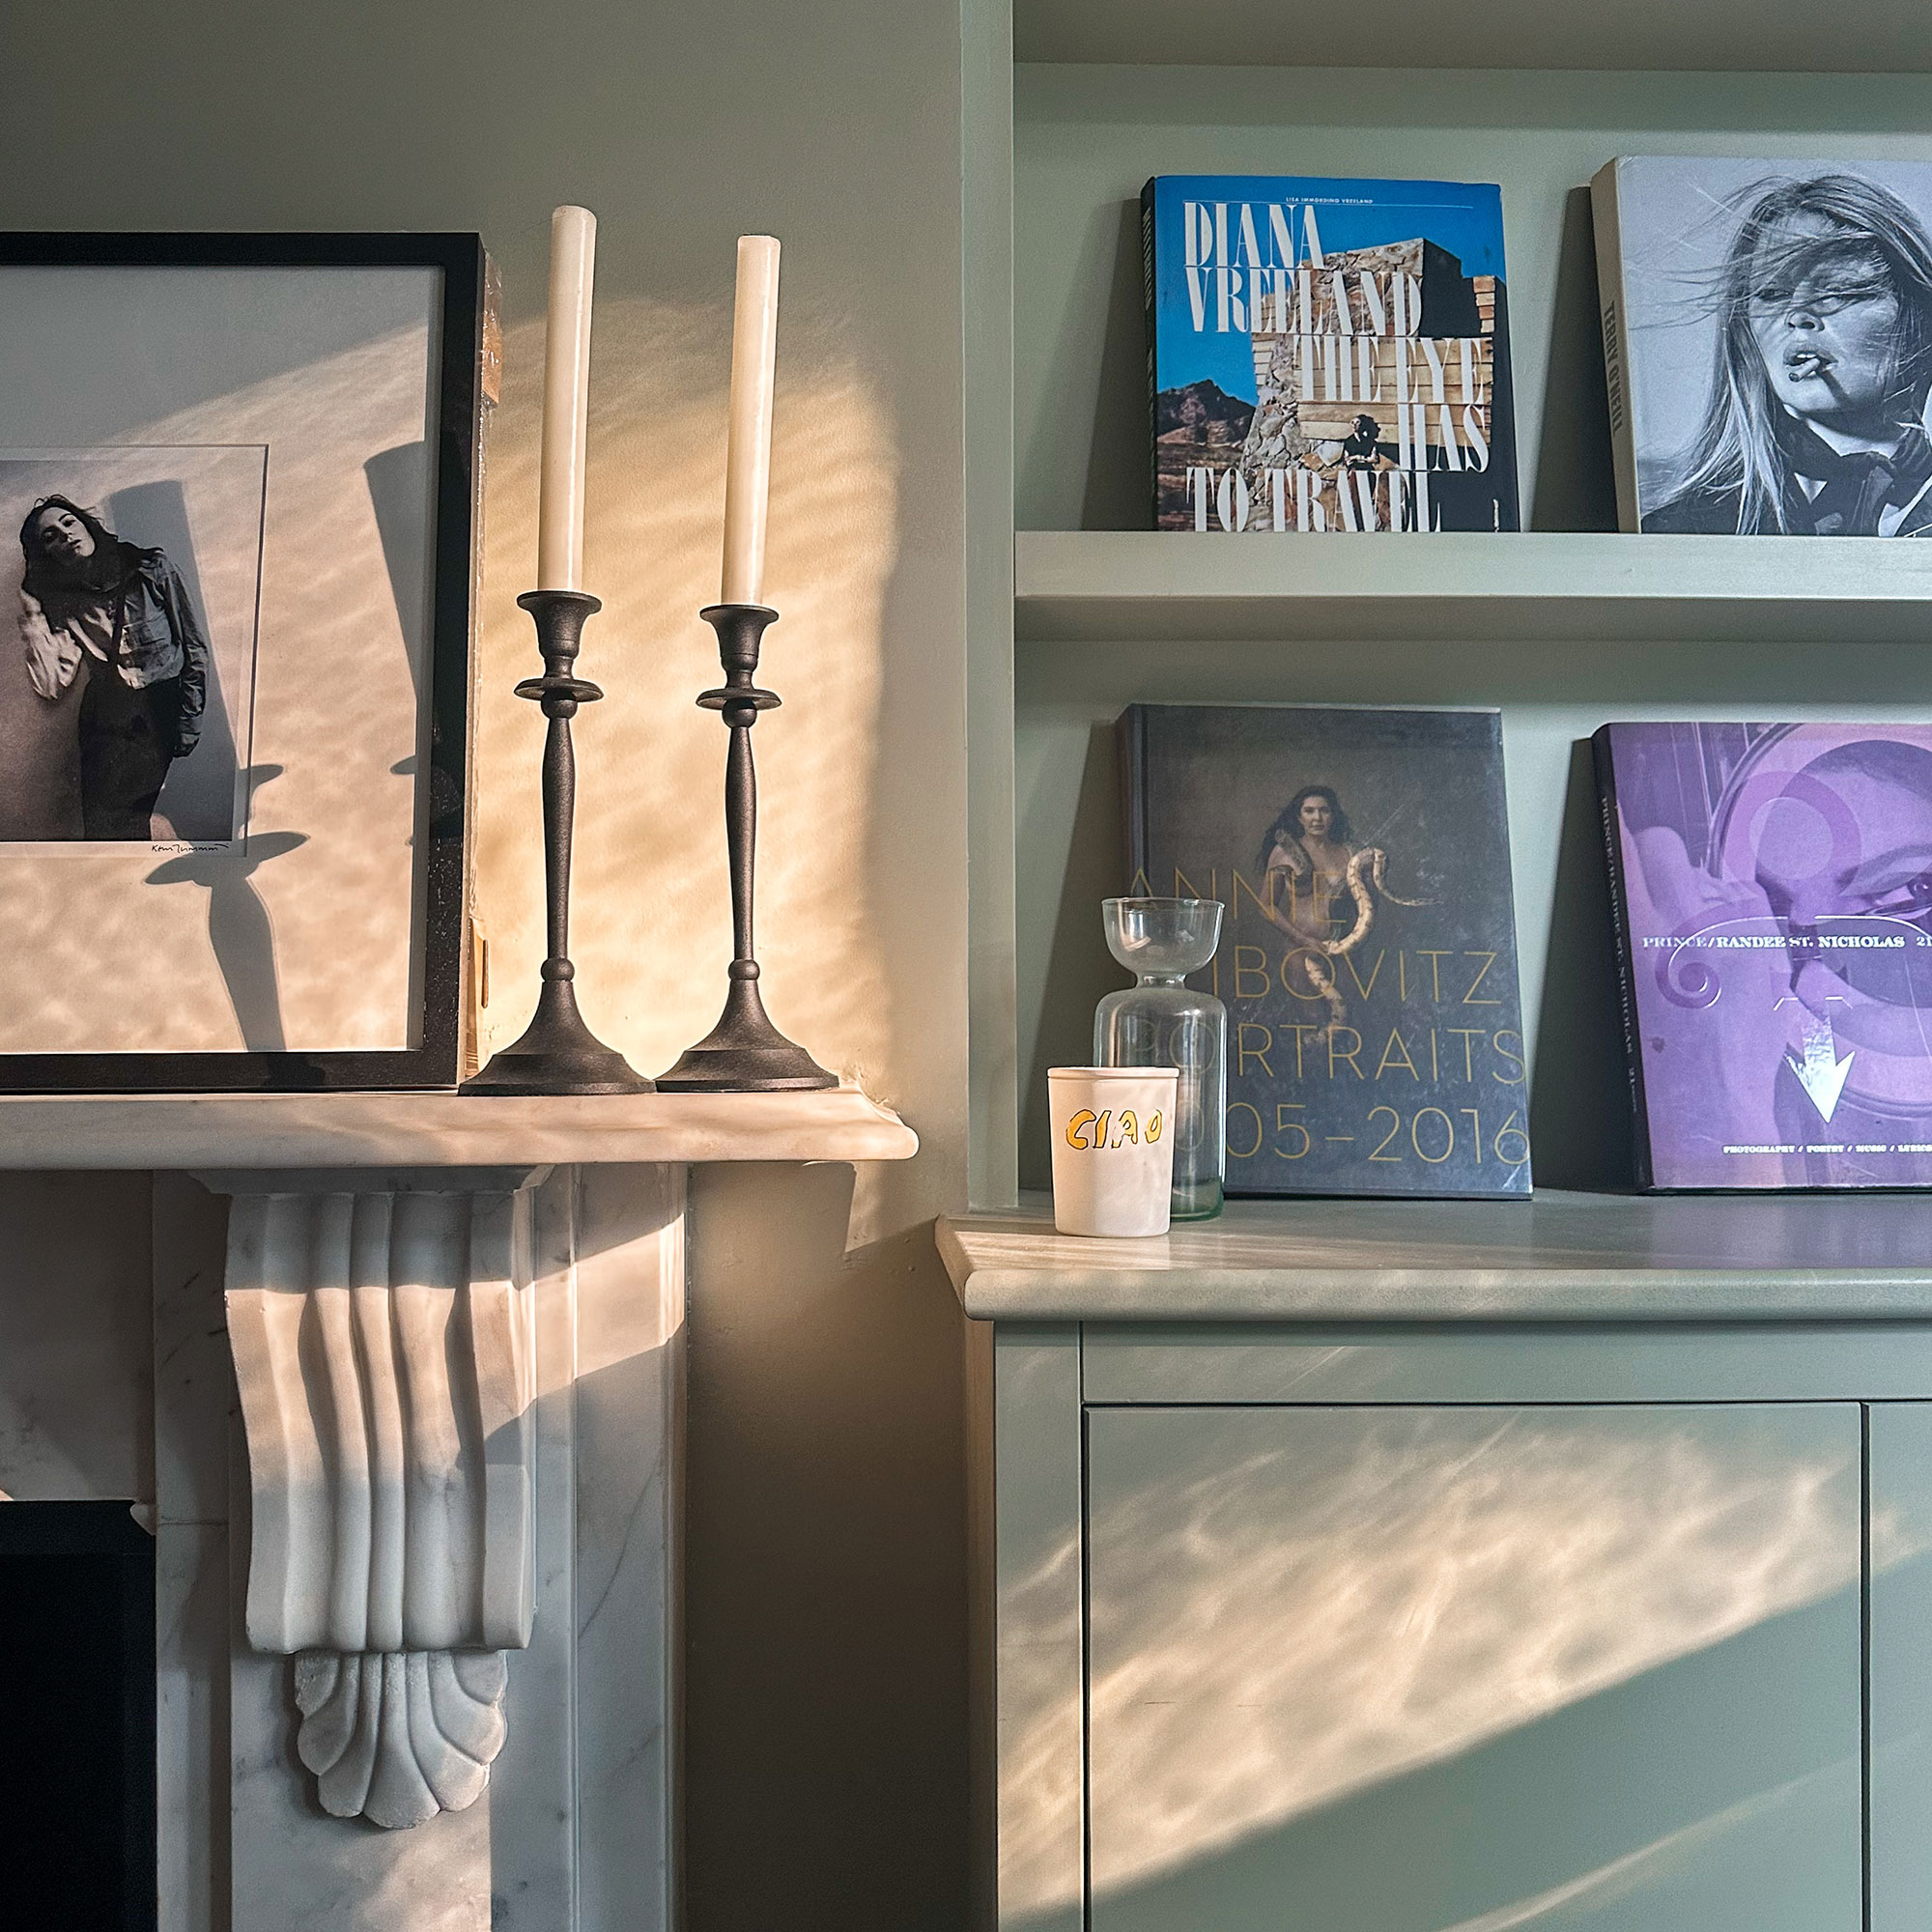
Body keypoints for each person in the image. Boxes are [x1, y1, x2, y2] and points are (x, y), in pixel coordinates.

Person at [1645, 173, 1932, 535]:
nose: (1797, 315)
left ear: (1917, 314)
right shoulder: (1680, 531)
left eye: (1837, 292)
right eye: (1772, 294)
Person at [17, 495, 209, 839]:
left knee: (154, 818)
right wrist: (33, 616)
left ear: (86, 525)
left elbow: (194, 648)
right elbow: (51, 684)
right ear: (47, 554)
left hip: (163, 706)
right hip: (107, 719)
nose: (65, 535)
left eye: (68, 522)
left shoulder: (152, 568)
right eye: (50, 537)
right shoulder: (61, 603)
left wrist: (190, 720)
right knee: (107, 831)